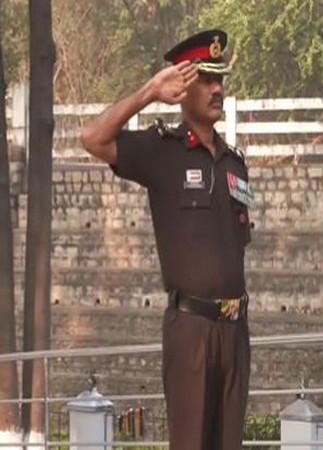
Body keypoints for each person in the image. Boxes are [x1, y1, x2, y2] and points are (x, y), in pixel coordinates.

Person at [80, 29, 253, 450]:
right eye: (206, 80)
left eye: (220, 79)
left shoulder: (235, 164)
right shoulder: (163, 151)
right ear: (183, 88)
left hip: (234, 330)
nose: (217, 89)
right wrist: (149, 93)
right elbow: (93, 139)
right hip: (190, 329)